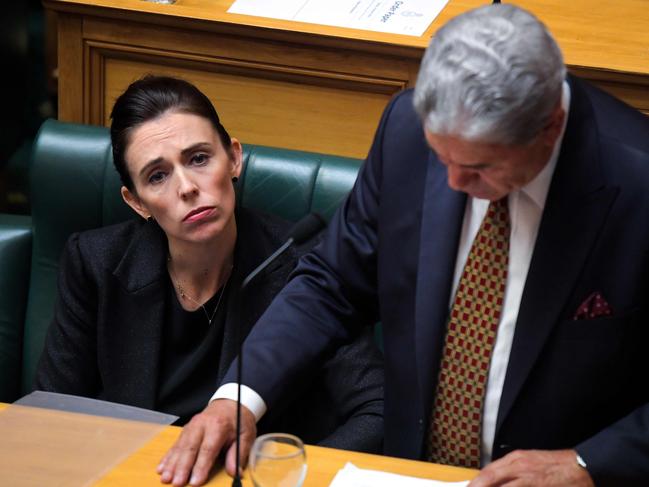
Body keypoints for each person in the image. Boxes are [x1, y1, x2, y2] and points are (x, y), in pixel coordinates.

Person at [157, 4, 649, 487]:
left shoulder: (637, 178)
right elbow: (333, 285)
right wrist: (239, 398)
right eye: (442, 156)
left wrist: (588, 465)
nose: (453, 183)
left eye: (480, 168)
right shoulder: (407, 133)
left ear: (551, 127)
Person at [35, 75, 384, 455]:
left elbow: (379, 409)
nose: (186, 187)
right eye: (158, 176)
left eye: (199, 158)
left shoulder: (305, 265)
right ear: (137, 202)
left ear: (234, 158)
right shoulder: (95, 264)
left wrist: (287, 476)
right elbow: (54, 414)